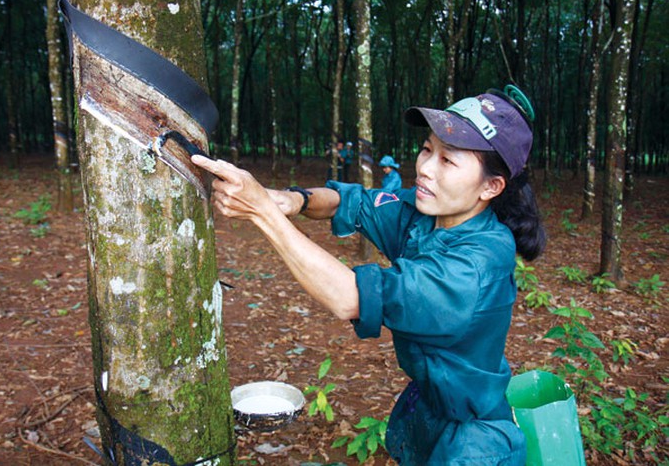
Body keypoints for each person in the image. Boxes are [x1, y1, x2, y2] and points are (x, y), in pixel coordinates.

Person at [192, 85, 545, 465]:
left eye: (449, 161)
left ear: (491, 187)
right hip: (431, 405)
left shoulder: (475, 264)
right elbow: (351, 201)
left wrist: (264, 213)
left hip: (475, 437)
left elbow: (349, 297)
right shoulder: (424, 215)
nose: (424, 167)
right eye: (428, 149)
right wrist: (292, 200)